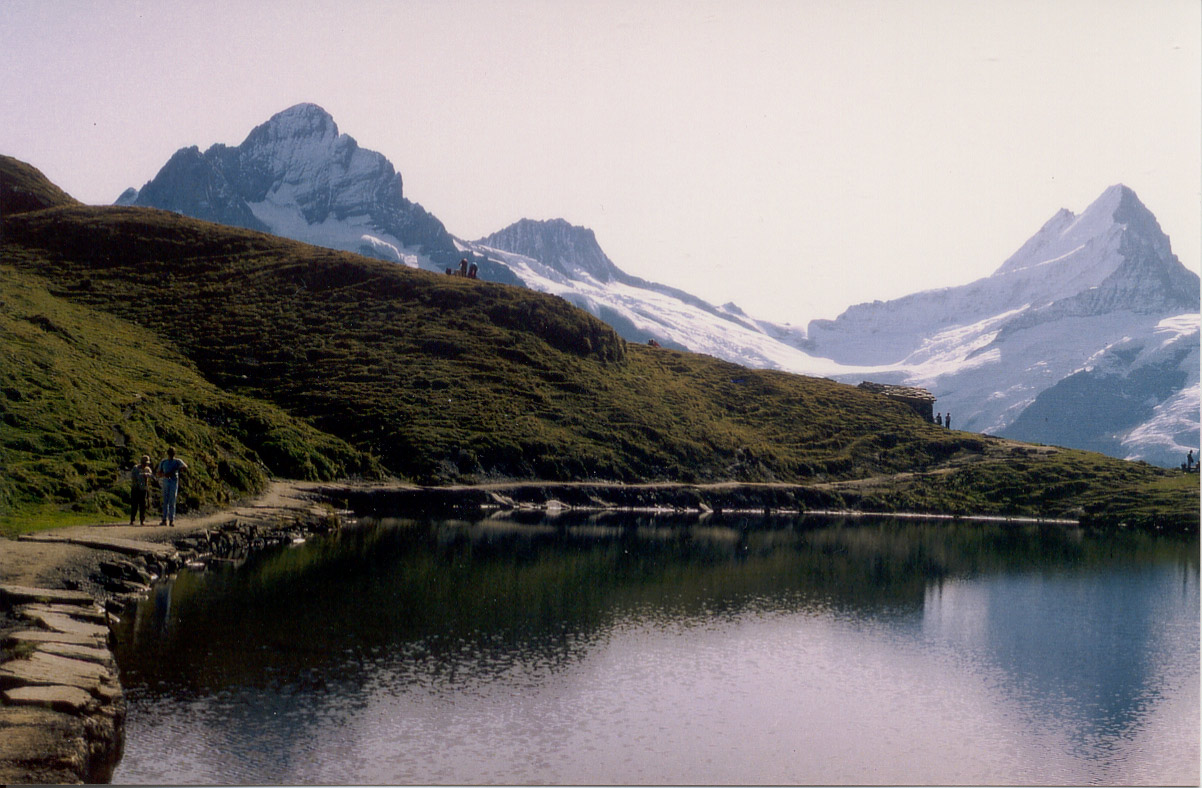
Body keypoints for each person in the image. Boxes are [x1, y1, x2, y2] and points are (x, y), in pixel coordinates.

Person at [156, 447, 189, 527]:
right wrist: (165, 475)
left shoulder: (177, 461)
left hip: (173, 482)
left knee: (172, 501)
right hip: (165, 482)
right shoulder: (164, 461)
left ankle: (171, 520)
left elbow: (185, 466)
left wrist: (178, 469)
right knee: (165, 501)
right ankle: (164, 519)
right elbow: (159, 473)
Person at [129, 455, 154, 526]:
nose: (145, 465)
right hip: (136, 488)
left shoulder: (147, 469)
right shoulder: (136, 468)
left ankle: (142, 520)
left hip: (143, 489)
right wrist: (141, 475)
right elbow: (134, 476)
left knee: (143, 505)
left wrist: (147, 475)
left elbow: (152, 476)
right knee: (134, 505)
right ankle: (132, 519)